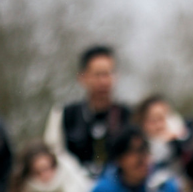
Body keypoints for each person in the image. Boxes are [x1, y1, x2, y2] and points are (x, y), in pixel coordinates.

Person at [44, 45, 132, 178]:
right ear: (82, 77)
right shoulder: (63, 114)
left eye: (108, 73)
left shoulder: (130, 115)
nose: (103, 81)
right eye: (97, 75)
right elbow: (52, 157)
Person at [137, 94, 188, 182]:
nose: (159, 125)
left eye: (161, 119)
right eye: (153, 120)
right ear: (142, 123)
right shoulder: (139, 150)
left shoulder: (182, 142)